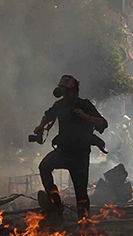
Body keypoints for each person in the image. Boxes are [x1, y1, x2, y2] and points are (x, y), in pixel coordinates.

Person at [32, 75, 108, 220]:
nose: (64, 95)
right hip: (63, 151)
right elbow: (48, 115)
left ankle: (84, 222)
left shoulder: (84, 105)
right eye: (62, 91)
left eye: (66, 91)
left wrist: (85, 116)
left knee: (81, 194)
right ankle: (55, 203)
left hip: (80, 155)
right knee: (44, 167)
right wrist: (41, 127)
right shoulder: (59, 105)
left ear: (74, 92)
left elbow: (103, 123)